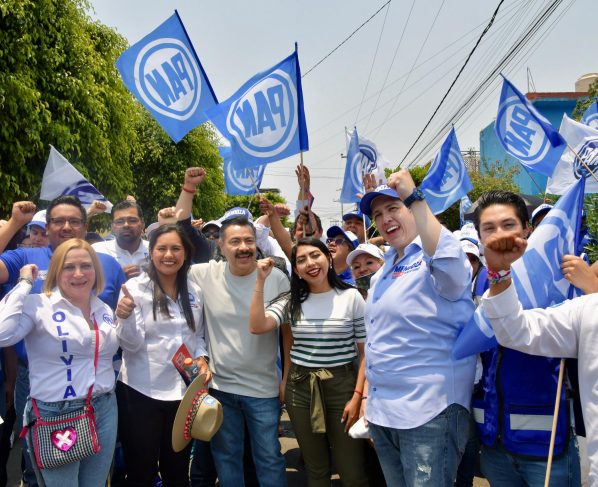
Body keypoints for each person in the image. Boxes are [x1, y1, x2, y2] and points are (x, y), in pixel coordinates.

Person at [174, 167, 290, 487]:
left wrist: (286, 379)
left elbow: (286, 337)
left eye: (249, 241)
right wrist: (188, 189)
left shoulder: (276, 278)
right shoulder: (204, 274)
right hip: (222, 389)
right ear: (221, 247)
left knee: (268, 459)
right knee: (227, 459)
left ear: (257, 244)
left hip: (264, 392)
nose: (243, 247)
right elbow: (180, 231)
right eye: (235, 242)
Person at [358, 172, 476, 486]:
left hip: (429, 413)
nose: (385, 219)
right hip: (384, 413)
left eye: (393, 208)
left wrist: (414, 195)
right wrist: (370, 400)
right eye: (377, 214)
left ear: (412, 208)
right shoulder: (382, 270)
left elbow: (448, 258)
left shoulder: (435, 256)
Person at [0, 195, 125, 487]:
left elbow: (119, 342)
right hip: (51, 402)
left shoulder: (103, 302)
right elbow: (4, 334)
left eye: (86, 267)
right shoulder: (33, 286)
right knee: (49, 479)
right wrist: (23, 283)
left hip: (103, 404)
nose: (79, 274)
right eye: (69, 267)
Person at [472, 190, 580, 486]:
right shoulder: (481, 277)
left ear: (528, 230)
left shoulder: (557, 271)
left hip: (546, 443)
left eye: (508, 225)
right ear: (479, 236)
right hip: (493, 441)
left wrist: (589, 285)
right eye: (488, 228)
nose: (499, 235)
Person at [249, 239, 369, 486]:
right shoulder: (290, 300)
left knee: (352, 470)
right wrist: (259, 280)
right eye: (301, 260)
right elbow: (257, 325)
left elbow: (365, 351)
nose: (310, 263)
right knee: (316, 468)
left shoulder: (352, 296)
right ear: (296, 270)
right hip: (300, 388)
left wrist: (358, 395)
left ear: (328, 258)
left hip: (344, 387)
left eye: (315, 255)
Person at [115, 224, 208, 486]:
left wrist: (202, 359)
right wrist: (125, 316)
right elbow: (130, 345)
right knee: (141, 469)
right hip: (141, 392)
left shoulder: (194, 290)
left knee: (177, 467)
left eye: (176, 248)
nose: (169, 255)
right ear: (151, 252)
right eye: (162, 248)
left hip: (182, 391)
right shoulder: (134, 289)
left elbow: (197, 336)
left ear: (186, 253)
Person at [93, 201, 149, 280]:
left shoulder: (155, 249)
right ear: (112, 226)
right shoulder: (97, 251)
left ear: (142, 224)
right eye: (120, 221)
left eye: (132, 220)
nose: (126, 225)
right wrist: (118, 277)